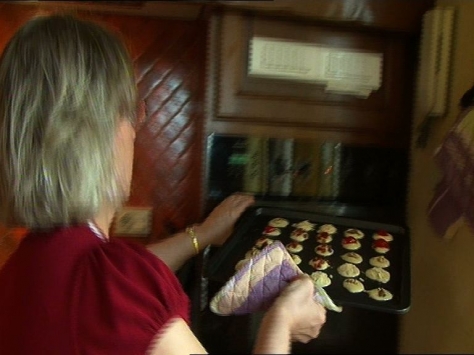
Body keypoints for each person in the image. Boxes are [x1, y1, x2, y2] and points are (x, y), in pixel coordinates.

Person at [0, 14, 326, 355]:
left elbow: (112, 295)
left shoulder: (19, 271)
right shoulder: (112, 283)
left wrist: (203, 234)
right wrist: (281, 321)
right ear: (97, 133)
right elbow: (118, 293)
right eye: (131, 112)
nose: (136, 129)